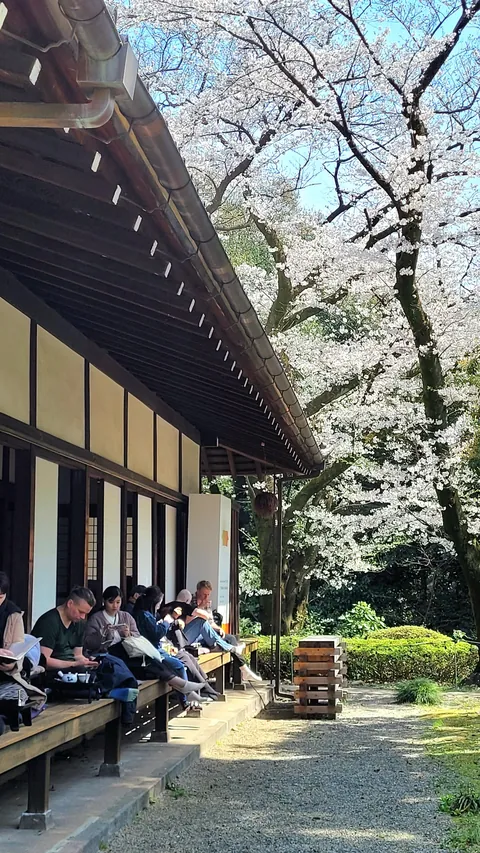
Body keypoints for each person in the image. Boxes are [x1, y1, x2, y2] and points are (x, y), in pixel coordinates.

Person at [133, 587, 212, 707]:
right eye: (159, 602)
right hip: (150, 651)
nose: (160, 606)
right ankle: (186, 700)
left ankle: (192, 693)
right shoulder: (144, 615)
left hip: (154, 649)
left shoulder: (146, 613)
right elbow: (156, 633)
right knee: (179, 666)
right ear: (154, 602)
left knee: (182, 661)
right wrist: (167, 621)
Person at [189, 581, 261, 683]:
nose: (206, 597)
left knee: (231, 638)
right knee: (226, 645)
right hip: (198, 636)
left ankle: (237, 672)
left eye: (208, 594)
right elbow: (192, 621)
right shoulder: (191, 601)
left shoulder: (207, 603)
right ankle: (241, 670)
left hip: (209, 633)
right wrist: (200, 606)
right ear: (198, 591)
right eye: (204, 594)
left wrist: (218, 629)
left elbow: (210, 622)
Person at [32, 586, 98, 671]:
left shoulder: (79, 623)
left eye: (86, 614)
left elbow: (77, 655)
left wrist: (86, 662)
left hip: (72, 668)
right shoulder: (49, 622)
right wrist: (74, 664)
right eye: (81, 612)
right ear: (70, 603)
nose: (82, 617)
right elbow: (43, 661)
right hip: (51, 672)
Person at [84, 586, 140, 654]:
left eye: (118, 602)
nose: (115, 606)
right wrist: (102, 633)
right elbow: (87, 642)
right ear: (104, 601)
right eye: (111, 602)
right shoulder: (95, 619)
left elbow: (137, 636)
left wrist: (129, 634)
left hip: (126, 653)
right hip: (103, 654)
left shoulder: (127, 616)